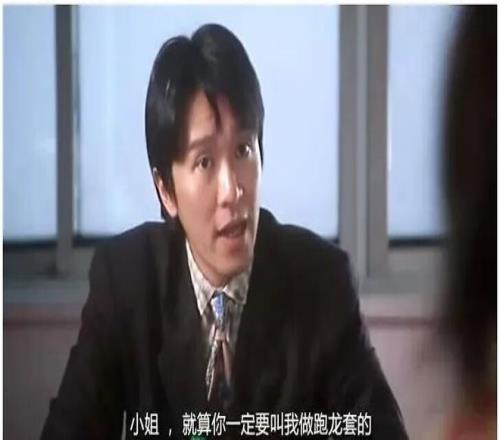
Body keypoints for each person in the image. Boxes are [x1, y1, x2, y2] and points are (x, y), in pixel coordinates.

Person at [41, 24, 407, 439]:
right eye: (204, 162)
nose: (232, 190)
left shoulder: (321, 282)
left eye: (243, 150)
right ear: (166, 190)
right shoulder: (126, 282)